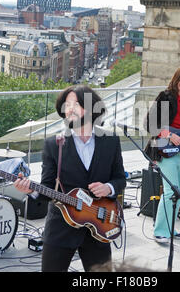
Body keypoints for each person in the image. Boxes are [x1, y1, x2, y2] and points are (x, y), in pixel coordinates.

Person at [14, 85, 126, 272]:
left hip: (99, 227)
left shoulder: (110, 141)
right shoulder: (53, 144)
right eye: (67, 105)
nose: (70, 109)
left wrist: (109, 188)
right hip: (61, 229)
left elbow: (120, 179)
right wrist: (32, 190)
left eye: (75, 104)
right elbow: (48, 187)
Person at [144, 66, 180, 244]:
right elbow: (149, 123)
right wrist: (168, 134)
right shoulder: (165, 97)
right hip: (163, 151)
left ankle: (170, 228)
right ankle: (160, 231)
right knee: (171, 191)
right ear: (176, 81)